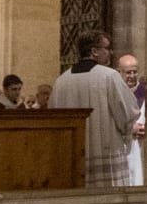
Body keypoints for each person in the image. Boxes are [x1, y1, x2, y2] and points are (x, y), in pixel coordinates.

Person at [48, 30, 138, 188]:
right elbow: (126, 112)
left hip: (73, 159)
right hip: (106, 152)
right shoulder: (109, 76)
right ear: (94, 51)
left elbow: (54, 120)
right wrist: (127, 131)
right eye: (106, 48)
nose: (109, 52)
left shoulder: (61, 81)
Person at [116, 54, 147, 185]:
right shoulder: (115, 92)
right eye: (128, 72)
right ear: (119, 72)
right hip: (121, 147)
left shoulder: (144, 91)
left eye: (135, 72)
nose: (132, 76)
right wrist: (130, 128)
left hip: (142, 147)